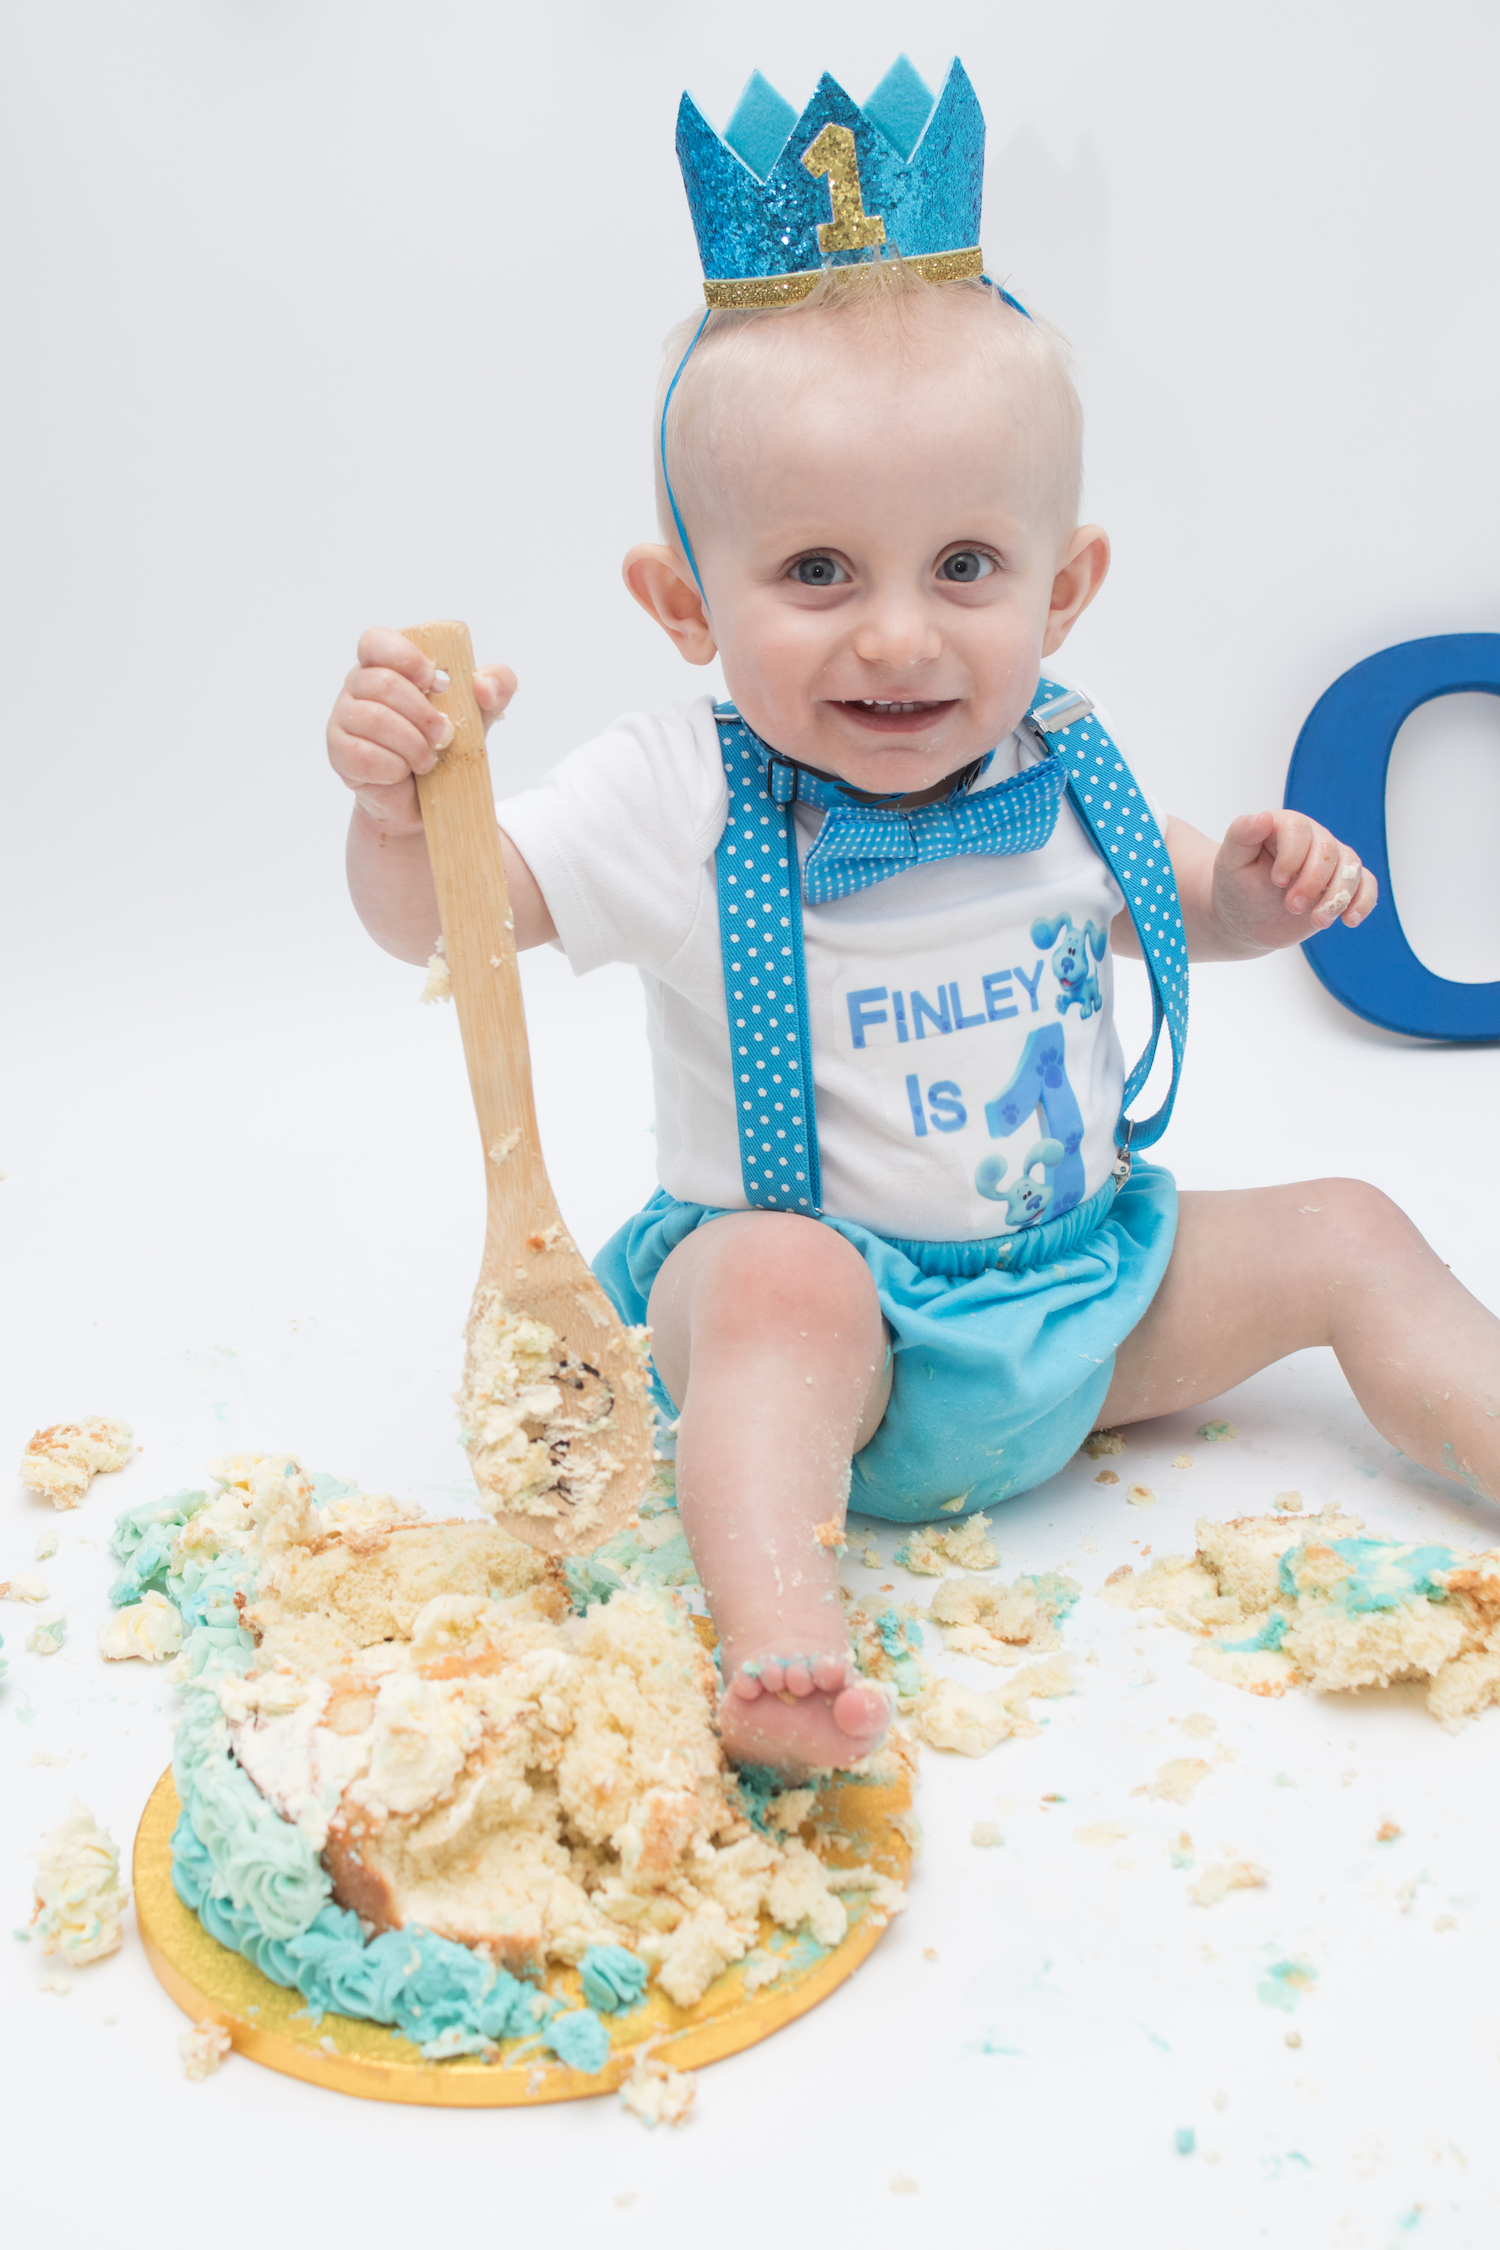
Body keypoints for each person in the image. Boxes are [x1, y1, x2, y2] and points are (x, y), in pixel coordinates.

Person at [325, 60, 1500, 1778]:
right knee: (779, 1289)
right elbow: (452, 929)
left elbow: (1170, 908)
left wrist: (1249, 894)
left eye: (964, 566)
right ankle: (785, 1639)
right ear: (682, 604)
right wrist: (394, 812)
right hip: (839, 1350)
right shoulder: (686, 792)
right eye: (815, 574)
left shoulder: (1066, 758)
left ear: (1063, 587)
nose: (897, 639)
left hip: (1089, 1304)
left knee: (1346, 1219)